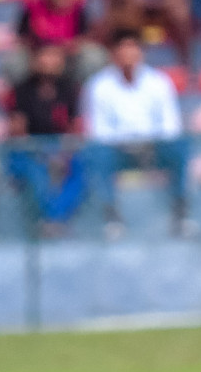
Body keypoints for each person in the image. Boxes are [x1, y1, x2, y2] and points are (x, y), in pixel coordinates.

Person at [82, 27, 193, 237]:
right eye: (122, 50)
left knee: (180, 147)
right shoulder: (99, 85)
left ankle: (181, 213)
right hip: (118, 150)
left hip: (154, 147)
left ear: (141, 52)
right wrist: (126, 143)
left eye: (132, 49)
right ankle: (111, 216)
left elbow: (170, 124)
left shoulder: (158, 82)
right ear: (113, 54)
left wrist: (150, 141)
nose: (128, 55)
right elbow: (98, 130)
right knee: (97, 154)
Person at [7, 43, 88, 234]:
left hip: (60, 148)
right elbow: (18, 130)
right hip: (30, 149)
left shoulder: (69, 89)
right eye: (45, 56)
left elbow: (73, 126)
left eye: (55, 56)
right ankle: (51, 218)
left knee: (80, 168)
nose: (49, 61)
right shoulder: (22, 90)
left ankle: (54, 219)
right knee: (34, 171)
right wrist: (41, 152)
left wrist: (62, 151)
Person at [5, 0, 110, 85]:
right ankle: (23, 97)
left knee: (94, 57)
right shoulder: (32, 6)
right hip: (38, 53)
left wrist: (69, 47)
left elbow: (86, 35)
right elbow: (22, 36)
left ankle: (86, 93)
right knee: (14, 63)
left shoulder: (78, 8)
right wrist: (41, 52)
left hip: (69, 54)